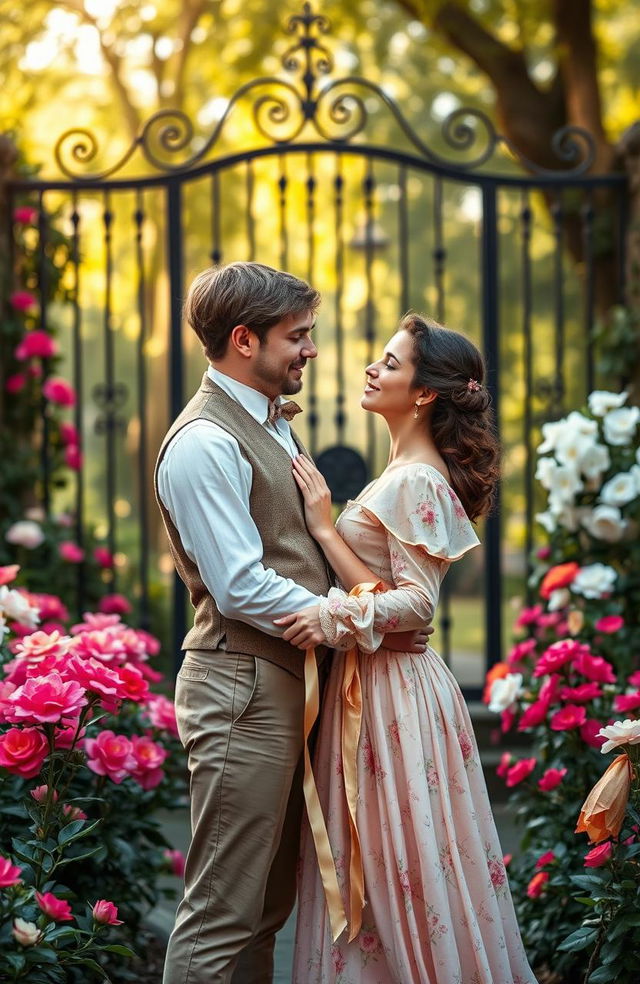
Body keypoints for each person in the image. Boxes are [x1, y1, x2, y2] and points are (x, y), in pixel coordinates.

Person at [154, 262, 430, 984]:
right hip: (241, 689)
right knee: (222, 911)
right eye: (296, 337)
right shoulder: (204, 443)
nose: (310, 350)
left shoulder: (270, 426)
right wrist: (359, 619)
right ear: (243, 340)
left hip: (282, 686)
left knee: (265, 908)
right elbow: (242, 586)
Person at [278, 313, 537, 983]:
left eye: (389, 363)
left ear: (424, 393)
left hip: (392, 698)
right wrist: (326, 529)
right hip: (375, 688)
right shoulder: (404, 472)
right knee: (383, 864)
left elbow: (416, 605)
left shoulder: (418, 480)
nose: (373, 368)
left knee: (400, 869)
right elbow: (383, 589)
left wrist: (327, 617)